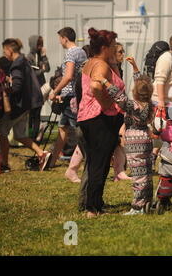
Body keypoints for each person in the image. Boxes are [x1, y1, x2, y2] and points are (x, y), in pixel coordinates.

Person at [77, 28, 124, 217]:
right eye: (112, 46)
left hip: (88, 117)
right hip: (100, 119)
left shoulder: (91, 62)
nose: (114, 49)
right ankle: (92, 208)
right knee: (100, 164)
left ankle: (95, 203)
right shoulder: (101, 65)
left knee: (96, 163)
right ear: (104, 47)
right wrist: (106, 103)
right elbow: (96, 85)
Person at [65, 44, 129, 183]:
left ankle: (119, 170)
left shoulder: (113, 68)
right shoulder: (98, 68)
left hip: (104, 114)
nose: (122, 54)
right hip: (93, 116)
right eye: (118, 51)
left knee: (110, 145)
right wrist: (106, 104)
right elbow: (93, 88)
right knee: (92, 155)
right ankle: (73, 171)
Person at [98, 57, 154, 215]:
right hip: (146, 138)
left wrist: (104, 82)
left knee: (137, 175)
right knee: (147, 172)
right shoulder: (150, 104)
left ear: (135, 93)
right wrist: (135, 68)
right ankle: (148, 201)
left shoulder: (132, 105)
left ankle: (138, 207)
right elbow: (143, 85)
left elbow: (118, 96)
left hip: (134, 141)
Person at [0, 38, 51, 172]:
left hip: (19, 106)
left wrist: (4, 88)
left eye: (4, 51)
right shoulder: (24, 60)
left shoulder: (17, 64)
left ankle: (4, 163)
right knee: (19, 135)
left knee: (2, 131)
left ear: (9, 50)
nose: (4, 54)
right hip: (27, 105)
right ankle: (42, 154)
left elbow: (16, 87)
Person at [48, 27, 87, 168]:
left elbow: (68, 76)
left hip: (70, 97)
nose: (60, 42)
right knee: (62, 129)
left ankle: (88, 160)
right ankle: (52, 161)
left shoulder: (71, 53)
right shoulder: (82, 52)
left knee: (79, 132)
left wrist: (55, 91)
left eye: (60, 39)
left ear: (65, 38)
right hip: (76, 94)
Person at [26, 35, 50, 142]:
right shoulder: (29, 57)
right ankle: (30, 135)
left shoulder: (40, 56)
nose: (40, 47)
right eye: (38, 44)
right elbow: (32, 74)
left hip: (40, 87)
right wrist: (41, 70)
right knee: (32, 113)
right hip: (32, 89)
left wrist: (44, 57)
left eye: (41, 44)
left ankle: (35, 136)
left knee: (37, 112)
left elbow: (47, 68)